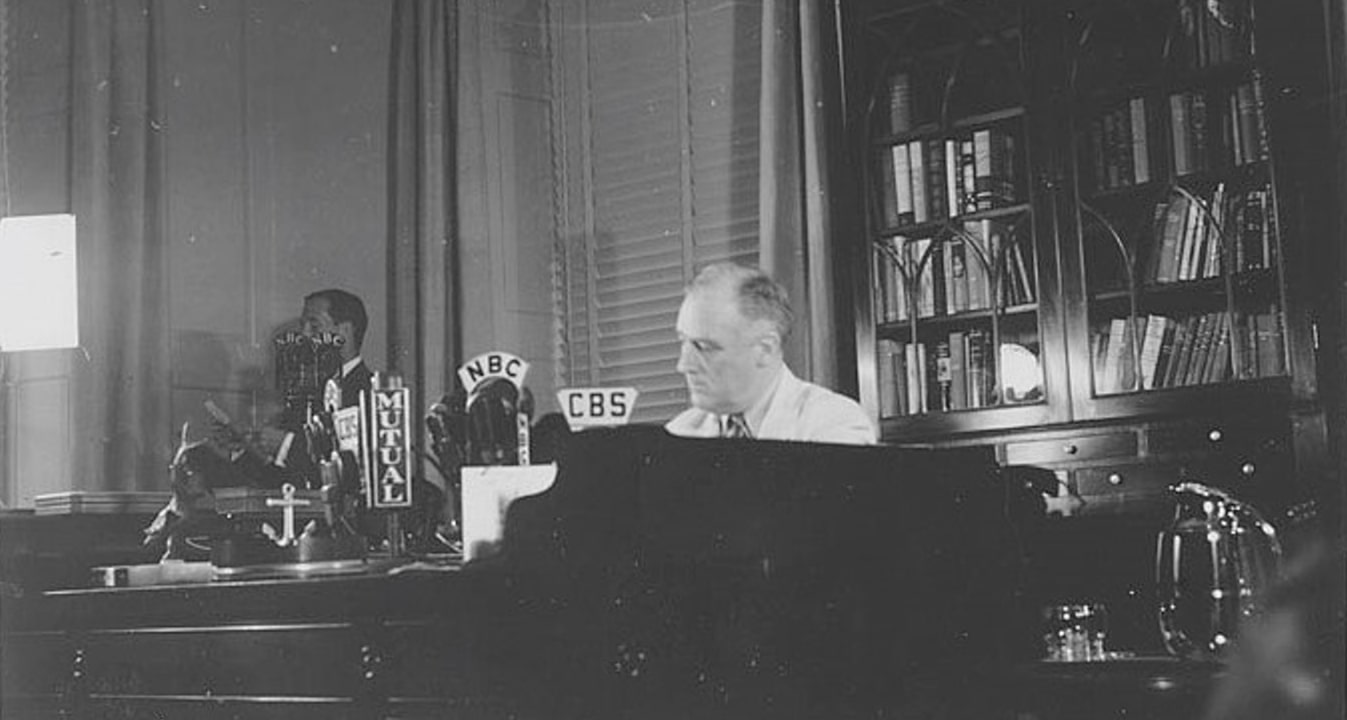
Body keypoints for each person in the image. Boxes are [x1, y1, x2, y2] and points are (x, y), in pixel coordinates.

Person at [665, 262, 877, 445]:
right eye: (683, 341)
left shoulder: (834, 423)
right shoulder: (679, 433)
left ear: (765, 349)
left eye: (703, 346)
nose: (683, 365)